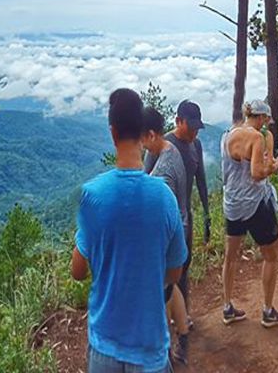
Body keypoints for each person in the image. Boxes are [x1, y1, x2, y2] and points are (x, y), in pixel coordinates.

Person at [72, 88, 187, 373]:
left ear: (113, 133)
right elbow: (174, 272)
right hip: (149, 346)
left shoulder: (92, 196)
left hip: (104, 346)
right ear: (141, 133)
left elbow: (78, 271)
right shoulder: (163, 197)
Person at [220, 99, 278, 327]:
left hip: (232, 203)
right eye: (266, 120)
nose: (266, 125)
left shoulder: (228, 134)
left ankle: (227, 307)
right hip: (255, 203)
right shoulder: (256, 137)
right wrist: (275, 166)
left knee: (230, 256)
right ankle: (268, 311)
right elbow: (258, 173)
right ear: (260, 117)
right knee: (271, 255)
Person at [145, 100, 211, 322]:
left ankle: (182, 315)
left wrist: (207, 215)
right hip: (161, 220)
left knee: (183, 263)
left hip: (184, 217)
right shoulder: (162, 146)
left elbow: (201, 179)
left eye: (196, 128)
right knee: (165, 269)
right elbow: (145, 181)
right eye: (190, 127)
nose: (193, 132)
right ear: (178, 121)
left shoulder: (196, 145)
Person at [142, 106, 190, 365]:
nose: (140, 143)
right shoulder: (171, 150)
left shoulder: (162, 173)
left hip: (168, 235)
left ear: (151, 135)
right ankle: (183, 337)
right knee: (172, 288)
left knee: (161, 293)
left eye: (141, 137)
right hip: (181, 227)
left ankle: (166, 352)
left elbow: (157, 210)